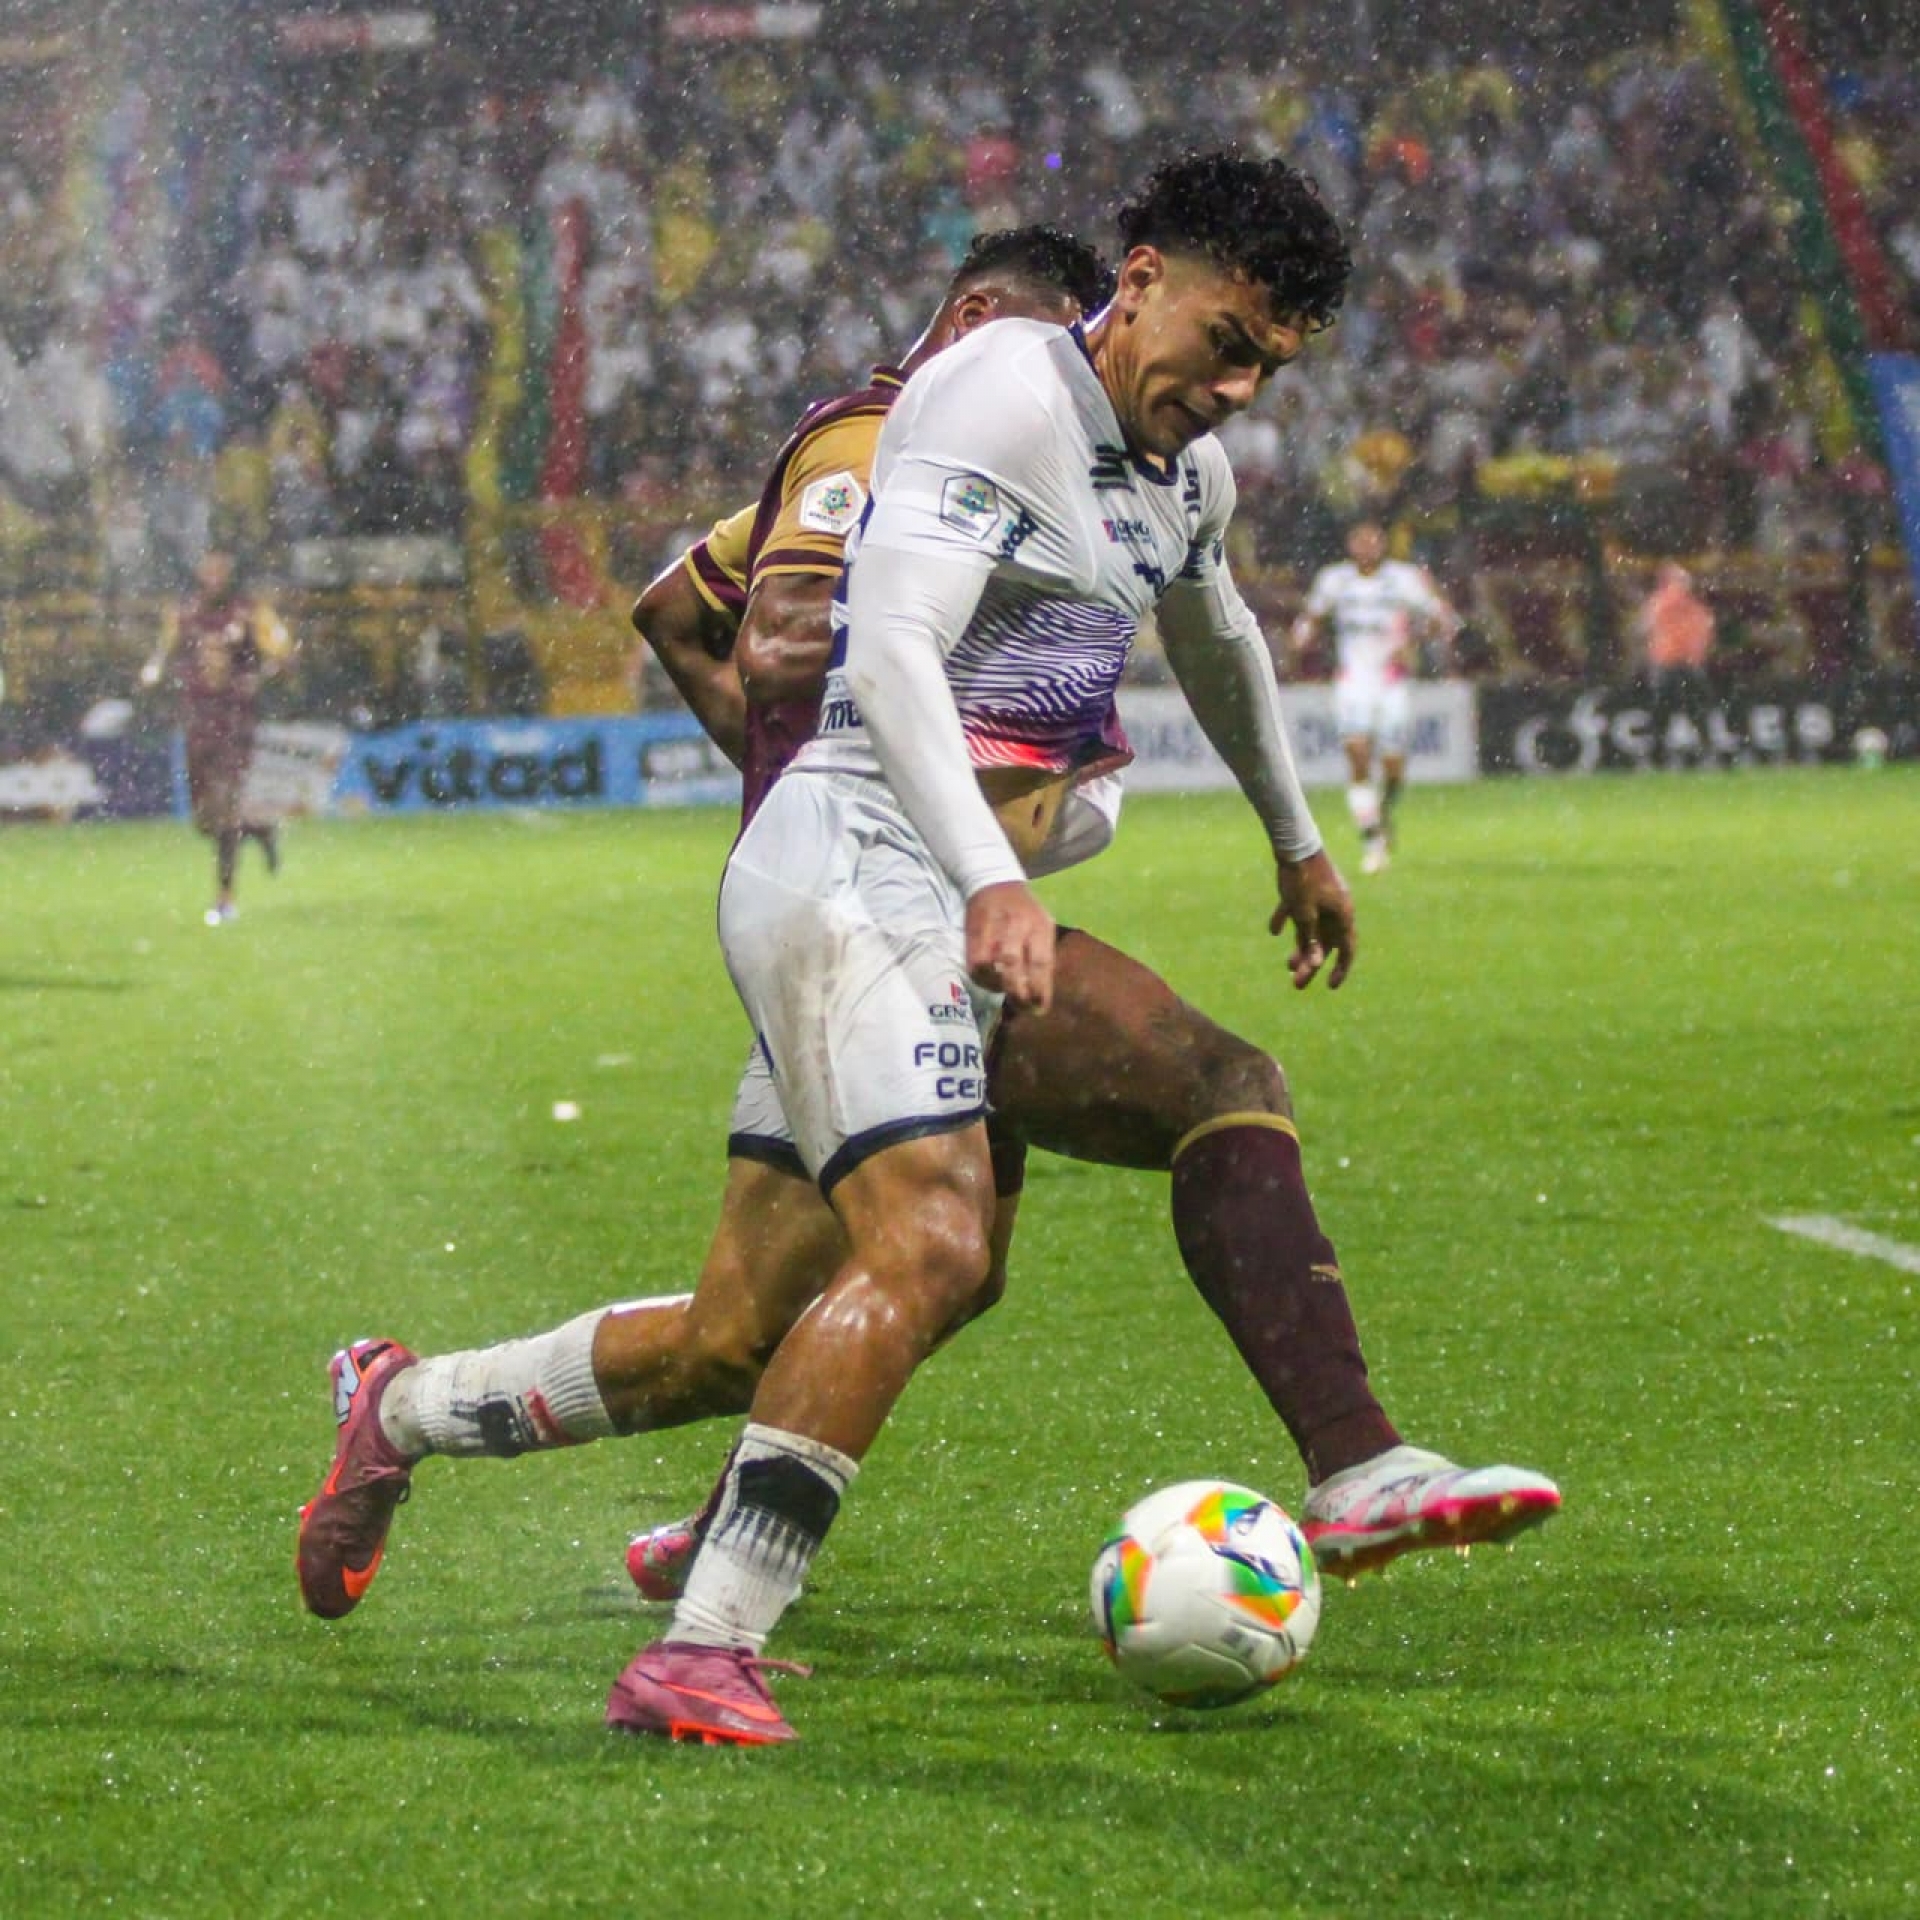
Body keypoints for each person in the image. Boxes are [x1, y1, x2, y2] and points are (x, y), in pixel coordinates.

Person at [296, 205, 1559, 1733]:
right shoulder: (1000, 388)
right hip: (856, 866)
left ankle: (404, 1407)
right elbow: (887, 647)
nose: (1236, 390)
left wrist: (1298, 842)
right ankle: (704, 1644)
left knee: (746, 1329)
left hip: (927, 902)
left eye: (1268, 370)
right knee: (936, 1241)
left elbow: (1218, 636)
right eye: (1226, 344)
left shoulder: (1184, 470)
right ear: (1140, 285)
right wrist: (989, 877)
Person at [1289, 519, 1459, 874]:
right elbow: (1312, 617)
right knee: (1358, 754)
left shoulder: (1403, 579)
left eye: (1373, 541)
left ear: (1383, 544)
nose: (1366, 547)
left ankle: (1382, 811)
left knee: (1394, 767)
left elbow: (1443, 618)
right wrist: (1301, 639)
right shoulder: (1335, 580)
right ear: (1350, 546)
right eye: (1360, 541)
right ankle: (1372, 838)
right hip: (1353, 681)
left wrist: (1414, 641)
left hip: (1392, 681)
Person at [140, 543, 291, 923]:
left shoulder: (252, 612)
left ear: (231, 572)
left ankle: (224, 898)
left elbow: (283, 653)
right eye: (208, 568)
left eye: (220, 569)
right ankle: (259, 830)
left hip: (235, 723)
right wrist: (153, 673)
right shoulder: (184, 613)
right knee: (205, 821)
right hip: (198, 722)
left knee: (225, 808)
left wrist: (260, 677)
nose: (214, 576)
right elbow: (163, 652)